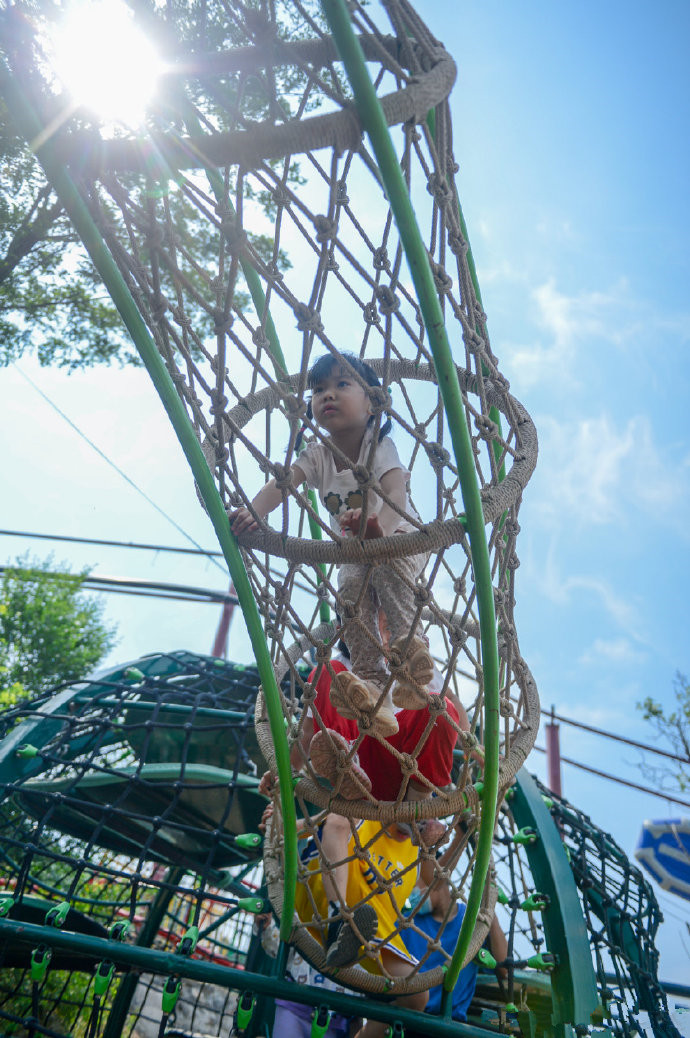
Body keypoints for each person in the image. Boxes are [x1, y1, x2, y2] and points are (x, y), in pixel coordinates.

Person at [229, 352, 434, 738]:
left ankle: (411, 653)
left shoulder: (378, 445)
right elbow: (284, 482)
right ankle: (371, 680)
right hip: (355, 549)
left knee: (388, 570)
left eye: (342, 384)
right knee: (349, 593)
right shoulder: (318, 455)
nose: (328, 395)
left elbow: (396, 493)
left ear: (372, 403)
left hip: (401, 537)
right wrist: (255, 511)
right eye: (319, 389)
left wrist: (381, 529)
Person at [401, 879, 509, 1032]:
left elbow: (505, 969)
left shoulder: (472, 920)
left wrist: (489, 912)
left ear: (439, 875)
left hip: (452, 1023)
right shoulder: (407, 923)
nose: (411, 893)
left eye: (414, 884)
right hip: (410, 1019)